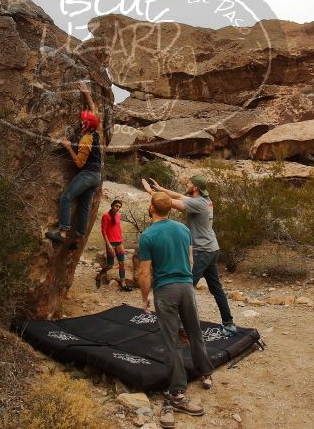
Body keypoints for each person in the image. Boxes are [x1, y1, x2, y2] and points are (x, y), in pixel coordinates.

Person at [138, 192, 213, 429]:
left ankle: (177, 393)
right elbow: (191, 261)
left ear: (152, 208)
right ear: (169, 208)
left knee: (172, 342)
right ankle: (205, 372)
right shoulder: (183, 229)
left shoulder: (147, 236)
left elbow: (144, 273)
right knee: (195, 332)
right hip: (186, 287)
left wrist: (144, 298)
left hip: (166, 290)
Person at [142, 175, 236, 337]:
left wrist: (150, 192)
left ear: (195, 188)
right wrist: (160, 189)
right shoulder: (203, 200)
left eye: (190, 183)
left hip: (202, 251)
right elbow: (178, 196)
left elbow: (166, 204)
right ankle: (229, 324)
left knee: (184, 286)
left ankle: (180, 327)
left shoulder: (197, 203)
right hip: (212, 249)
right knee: (216, 289)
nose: (187, 184)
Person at [45, 81, 103, 249]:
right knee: (84, 207)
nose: (81, 121)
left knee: (66, 197)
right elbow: (94, 110)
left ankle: (63, 233)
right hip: (96, 175)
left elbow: (79, 163)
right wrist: (86, 93)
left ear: (86, 125)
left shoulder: (86, 140)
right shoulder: (95, 132)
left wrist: (70, 148)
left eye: (83, 121)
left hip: (87, 174)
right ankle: (78, 240)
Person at [96, 199, 132, 291]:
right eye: (116, 206)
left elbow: (118, 229)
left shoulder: (118, 216)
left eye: (119, 207)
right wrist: (108, 245)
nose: (118, 208)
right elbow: (103, 231)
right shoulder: (105, 216)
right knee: (110, 265)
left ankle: (123, 284)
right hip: (111, 243)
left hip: (119, 243)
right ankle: (99, 276)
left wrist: (122, 242)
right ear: (112, 206)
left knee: (122, 263)